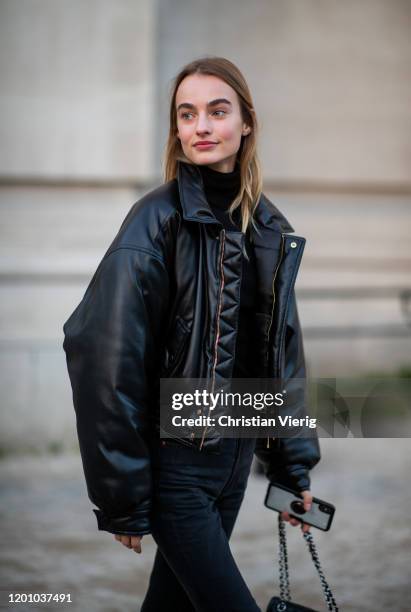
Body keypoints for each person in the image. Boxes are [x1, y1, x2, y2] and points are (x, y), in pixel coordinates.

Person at [63, 56, 321, 612]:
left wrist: (291, 465)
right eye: (187, 114)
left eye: (217, 111)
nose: (200, 126)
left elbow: (283, 352)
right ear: (177, 129)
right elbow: (103, 353)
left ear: (246, 123)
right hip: (176, 467)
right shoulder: (155, 221)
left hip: (231, 465)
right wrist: (122, 494)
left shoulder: (269, 227)